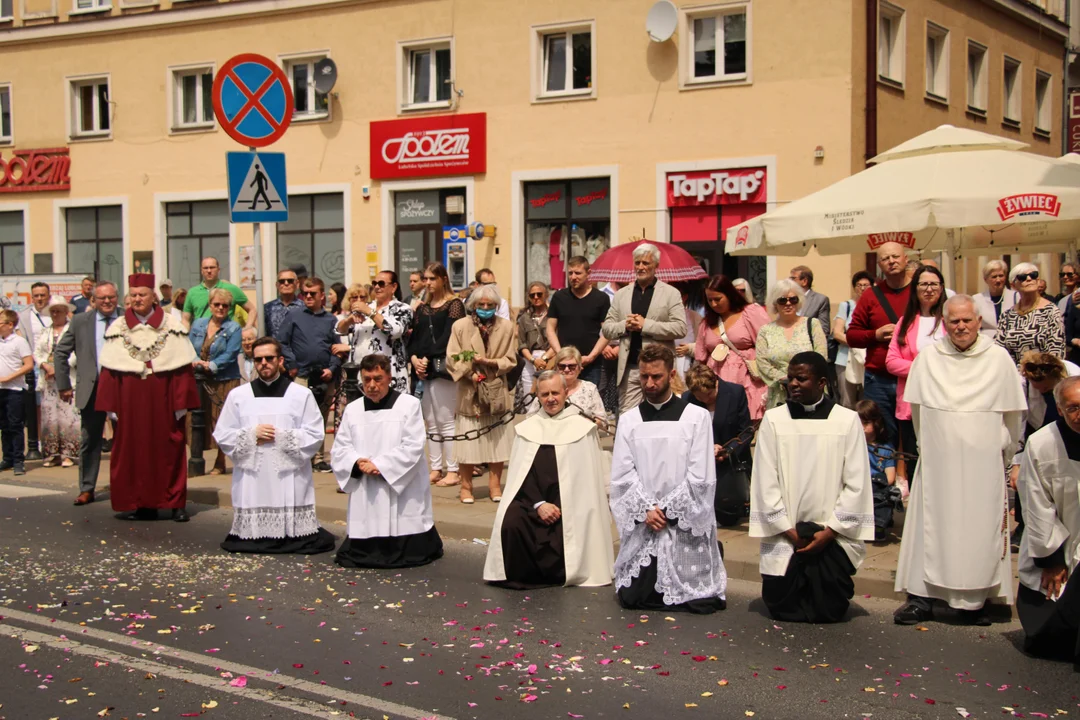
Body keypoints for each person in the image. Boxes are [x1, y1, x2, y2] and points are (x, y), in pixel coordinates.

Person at [893, 294, 1026, 626]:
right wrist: (933, 447)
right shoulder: (929, 359)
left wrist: (1004, 453)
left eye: (967, 320)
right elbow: (920, 417)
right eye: (954, 321)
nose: (961, 326)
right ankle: (921, 598)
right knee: (930, 525)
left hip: (983, 465)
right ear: (945, 323)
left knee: (979, 529)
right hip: (939, 461)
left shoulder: (998, 359)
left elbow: (1012, 419)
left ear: (979, 321)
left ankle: (975, 600)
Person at [750, 351, 874, 623]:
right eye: (790, 378)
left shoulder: (846, 420)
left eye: (801, 378)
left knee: (828, 608)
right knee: (782, 605)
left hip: (831, 534)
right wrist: (788, 530)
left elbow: (857, 482)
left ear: (821, 383)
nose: (793, 384)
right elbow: (764, 480)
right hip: (786, 533)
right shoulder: (774, 420)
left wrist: (831, 531)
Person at [609, 344, 727, 613]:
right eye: (644, 376)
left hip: (681, 522)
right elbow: (622, 476)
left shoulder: (696, 417)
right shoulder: (629, 421)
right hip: (647, 522)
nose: (649, 383)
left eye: (656, 377)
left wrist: (668, 510)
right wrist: (647, 510)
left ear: (672, 374)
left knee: (700, 601)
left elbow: (701, 477)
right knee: (632, 597)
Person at [484, 370, 613, 588]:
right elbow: (521, 476)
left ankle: (564, 572)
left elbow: (586, 483)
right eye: (544, 395)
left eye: (555, 393)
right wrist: (539, 503)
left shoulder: (584, 428)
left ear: (565, 393)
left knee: (571, 524)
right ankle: (522, 575)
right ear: (538, 397)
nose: (551, 399)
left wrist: (560, 505)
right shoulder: (527, 429)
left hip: (570, 503)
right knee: (511, 520)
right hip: (532, 500)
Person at [212, 337, 336, 554]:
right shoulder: (238, 396)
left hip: (288, 474)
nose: (264, 363)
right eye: (258, 359)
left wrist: (280, 435)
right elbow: (222, 434)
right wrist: (251, 434)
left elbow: (315, 433)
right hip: (254, 474)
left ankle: (291, 531)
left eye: (269, 358)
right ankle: (254, 532)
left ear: (280, 361)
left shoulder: (300, 394)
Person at [96, 274, 200, 522]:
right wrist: (111, 407)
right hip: (128, 401)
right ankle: (142, 504)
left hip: (163, 399)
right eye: (133, 295)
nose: (137, 299)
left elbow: (182, 369)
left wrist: (180, 404)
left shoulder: (171, 324)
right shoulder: (118, 327)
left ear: (153, 296)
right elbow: (109, 372)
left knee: (170, 449)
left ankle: (176, 504)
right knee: (134, 452)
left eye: (142, 294)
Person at [332, 353, 444, 568]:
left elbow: (413, 445)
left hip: (399, 486)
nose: (372, 385)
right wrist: (357, 463)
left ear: (389, 377)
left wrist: (380, 465)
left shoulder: (408, 405)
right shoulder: (353, 410)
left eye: (377, 379)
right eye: (367, 380)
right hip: (365, 481)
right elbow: (341, 447)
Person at [1015, 375, 1080, 671]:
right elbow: (1036, 505)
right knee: (1047, 641)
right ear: (1060, 407)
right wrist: (1052, 560)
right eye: (1073, 408)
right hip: (1058, 542)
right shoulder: (1041, 444)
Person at [447, 283, 518, 504]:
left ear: (496, 306)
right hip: (470, 391)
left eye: (490, 304)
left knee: (497, 441)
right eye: (481, 304)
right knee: (468, 442)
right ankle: (466, 487)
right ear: (473, 305)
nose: (485, 308)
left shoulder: (506, 327)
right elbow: (452, 357)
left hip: (496, 388)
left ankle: (495, 486)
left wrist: (489, 363)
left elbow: (511, 359)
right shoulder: (460, 326)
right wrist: (470, 373)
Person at [53, 282, 120, 506]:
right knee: (90, 440)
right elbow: (61, 352)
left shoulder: (126, 319)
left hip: (122, 390)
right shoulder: (81, 321)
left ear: (117, 297)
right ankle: (87, 488)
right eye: (102, 298)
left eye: (111, 297)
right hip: (92, 388)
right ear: (94, 300)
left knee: (124, 440)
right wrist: (63, 384)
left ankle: (123, 487)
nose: (108, 302)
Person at [602, 244, 688, 415]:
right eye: (638, 263)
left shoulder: (671, 293)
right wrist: (624, 326)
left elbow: (680, 328)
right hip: (631, 369)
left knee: (663, 415)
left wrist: (645, 325)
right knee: (628, 417)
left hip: (659, 368)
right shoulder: (622, 294)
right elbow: (607, 328)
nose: (641, 267)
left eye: (646, 263)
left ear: (656, 266)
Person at [1007, 352, 1079, 550]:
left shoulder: (1073, 374)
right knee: (1030, 483)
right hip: (1037, 429)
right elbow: (1019, 423)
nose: (1041, 390)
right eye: (1038, 387)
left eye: (1046, 387)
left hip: (1070, 429)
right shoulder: (1022, 384)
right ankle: (1025, 529)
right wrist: (1017, 462)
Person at [846, 242, 913, 450]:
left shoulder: (920, 291)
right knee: (881, 437)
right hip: (879, 378)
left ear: (906, 259)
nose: (891, 261)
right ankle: (885, 480)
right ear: (879, 265)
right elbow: (852, 336)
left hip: (913, 376)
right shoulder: (870, 296)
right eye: (885, 258)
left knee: (914, 437)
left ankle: (913, 480)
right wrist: (875, 334)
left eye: (895, 256)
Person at [883, 264, 947, 478]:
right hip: (912, 402)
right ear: (916, 289)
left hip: (945, 401)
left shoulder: (950, 320)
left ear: (942, 288)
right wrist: (924, 368)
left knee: (941, 459)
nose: (929, 289)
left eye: (934, 284)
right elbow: (891, 361)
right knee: (914, 460)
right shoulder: (906, 322)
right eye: (923, 284)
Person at [408, 263, 466, 487]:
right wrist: (414, 358)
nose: (428, 283)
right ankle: (436, 467)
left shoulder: (454, 305)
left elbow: (449, 338)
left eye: (432, 278)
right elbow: (414, 339)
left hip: (442, 366)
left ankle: (453, 469)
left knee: (446, 419)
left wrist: (427, 357)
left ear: (443, 278)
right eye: (426, 278)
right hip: (423, 368)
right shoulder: (422, 308)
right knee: (430, 421)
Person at [275, 276, 341, 473]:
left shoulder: (331, 320)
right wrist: (291, 364)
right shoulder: (294, 315)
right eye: (305, 293)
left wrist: (332, 368)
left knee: (319, 418)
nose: (309, 296)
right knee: (299, 418)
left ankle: (319, 457)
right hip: (301, 376)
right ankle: (300, 456)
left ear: (322, 295)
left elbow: (337, 347)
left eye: (313, 293)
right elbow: (282, 342)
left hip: (324, 376)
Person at [684, 362, 752, 527]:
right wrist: (706, 449)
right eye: (700, 397)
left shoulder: (735, 393)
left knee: (729, 518)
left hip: (731, 464)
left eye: (708, 395)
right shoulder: (687, 400)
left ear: (715, 383)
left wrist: (727, 450)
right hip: (702, 464)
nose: (705, 400)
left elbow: (746, 431)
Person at [695, 275, 770, 419]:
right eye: (709, 300)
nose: (714, 304)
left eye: (717, 299)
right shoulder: (707, 322)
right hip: (716, 383)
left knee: (747, 424)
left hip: (747, 379)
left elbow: (767, 344)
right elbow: (700, 357)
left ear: (729, 294)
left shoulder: (749, 312)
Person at [189, 288, 244, 475]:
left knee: (222, 419)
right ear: (210, 305)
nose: (220, 308)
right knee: (196, 419)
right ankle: (195, 459)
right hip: (199, 379)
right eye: (216, 304)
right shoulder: (198, 324)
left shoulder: (234, 327)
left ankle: (220, 461)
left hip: (224, 379)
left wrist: (210, 365)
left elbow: (231, 354)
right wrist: (196, 361)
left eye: (225, 306)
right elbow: (189, 345)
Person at [755, 279, 829, 409]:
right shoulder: (765, 331)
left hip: (810, 393)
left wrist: (801, 379)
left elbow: (820, 357)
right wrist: (783, 378)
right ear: (775, 303)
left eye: (793, 300)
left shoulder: (813, 325)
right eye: (782, 300)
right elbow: (762, 363)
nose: (788, 304)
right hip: (780, 395)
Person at [337, 271, 413, 393]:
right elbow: (339, 330)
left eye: (381, 283)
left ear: (393, 287)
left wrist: (370, 313)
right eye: (374, 283)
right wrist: (349, 320)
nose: (377, 287)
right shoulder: (366, 306)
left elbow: (394, 330)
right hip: (360, 377)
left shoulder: (402, 308)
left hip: (388, 378)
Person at [546, 256, 610, 387]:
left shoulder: (601, 298)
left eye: (578, 273)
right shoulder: (559, 297)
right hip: (564, 365)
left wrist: (592, 356)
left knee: (588, 402)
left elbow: (607, 332)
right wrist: (560, 354)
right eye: (570, 273)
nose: (573, 277)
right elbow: (550, 329)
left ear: (588, 273)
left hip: (591, 365)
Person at [33, 296, 80, 468]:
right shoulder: (45, 332)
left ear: (65, 312)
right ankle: (53, 453)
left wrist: (58, 368)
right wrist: (45, 365)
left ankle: (68, 454)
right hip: (48, 382)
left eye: (58, 311)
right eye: (52, 311)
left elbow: (75, 353)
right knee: (49, 417)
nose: (55, 314)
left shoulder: (72, 330)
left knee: (68, 416)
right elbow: (37, 352)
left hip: (68, 379)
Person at [996, 262, 1066, 364]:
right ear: (1013, 285)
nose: (1029, 279)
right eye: (1022, 277)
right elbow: (999, 351)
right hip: (1014, 375)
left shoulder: (1051, 311)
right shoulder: (1007, 316)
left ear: (1038, 280)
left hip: (1043, 374)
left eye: (1033, 275)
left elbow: (1057, 352)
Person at [857, 399, 899, 542]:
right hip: (860, 482)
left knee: (883, 494)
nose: (862, 427)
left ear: (876, 422)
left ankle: (880, 524)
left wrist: (880, 484)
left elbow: (890, 477)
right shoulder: (855, 445)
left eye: (866, 423)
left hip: (878, 485)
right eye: (859, 423)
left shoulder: (886, 448)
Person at [531, 346, 606, 423]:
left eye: (572, 366)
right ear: (556, 368)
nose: (566, 370)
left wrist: (588, 423)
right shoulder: (546, 387)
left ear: (580, 368)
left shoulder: (590, 388)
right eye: (562, 366)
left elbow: (602, 420)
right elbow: (530, 418)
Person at [833, 272, 873, 409]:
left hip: (867, 361)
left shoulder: (874, 306)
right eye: (859, 285)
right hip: (845, 359)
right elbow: (837, 333)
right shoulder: (846, 306)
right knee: (847, 402)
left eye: (866, 285)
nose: (862, 288)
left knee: (866, 402)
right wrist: (857, 342)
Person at [0, 310, 33, 475]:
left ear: (10, 325)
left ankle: (19, 460)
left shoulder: (19, 341)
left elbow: (28, 364)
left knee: (15, 425)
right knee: (4, 425)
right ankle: (7, 458)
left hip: (15, 389)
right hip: (1, 390)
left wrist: (9, 377)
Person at [182, 256, 257, 329]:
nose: (209, 271)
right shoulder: (192, 292)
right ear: (201, 271)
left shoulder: (232, 289)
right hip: (201, 337)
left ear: (218, 270)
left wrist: (247, 328)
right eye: (206, 268)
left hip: (225, 335)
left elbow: (252, 309)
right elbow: (185, 318)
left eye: (212, 267)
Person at [516, 281, 553, 405]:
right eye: (532, 295)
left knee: (548, 395)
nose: (536, 297)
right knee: (530, 398)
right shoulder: (524, 318)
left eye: (539, 294)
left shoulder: (553, 315)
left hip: (549, 357)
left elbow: (557, 340)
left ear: (546, 295)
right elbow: (521, 343)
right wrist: (533, 360)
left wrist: (545, 358)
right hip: (530, 359)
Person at [790, 266, 836, 361]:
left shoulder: (820, 300)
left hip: (808, 352)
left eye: (793, 278)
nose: (790, 282)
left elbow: (824, 329)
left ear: (804, 281)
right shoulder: (787, 300)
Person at [974, 259, 1018, 338]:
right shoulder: (977, 299)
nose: (998, 280)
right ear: (985, 280)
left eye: (1001, 276)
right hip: (986, 342)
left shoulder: (1016, 297)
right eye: (994, 277)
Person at [264, 269, 304, 339]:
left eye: (290, 281)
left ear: (297, 284)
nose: (286, 283)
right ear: (277, 285)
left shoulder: (304, 307)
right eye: (282, 281)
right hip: (274, 348)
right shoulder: (267, 308)